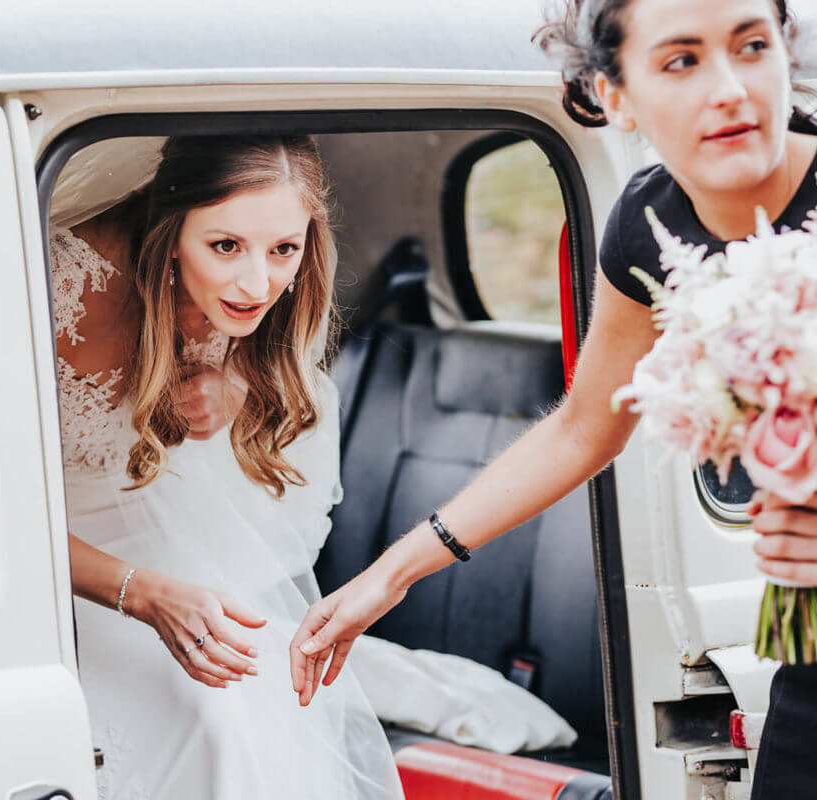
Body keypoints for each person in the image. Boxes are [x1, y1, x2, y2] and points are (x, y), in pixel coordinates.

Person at [289, 2, 817, 797]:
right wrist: (390, 576)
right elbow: (582, 429)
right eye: (682, 61)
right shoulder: (647, 222)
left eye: (752, 47)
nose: (732, 89)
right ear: (616, 95)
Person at [52, 135, 403, 799]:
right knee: (207, 710)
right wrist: (144, 593)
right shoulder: (75, 293)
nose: (256, 282)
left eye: (283, 250)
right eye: (225, 246)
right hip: (49, 573)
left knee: (249, 694)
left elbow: (283, 428)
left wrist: (230, 381)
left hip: (168, 538)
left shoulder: (270, 294)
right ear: (171, 229)